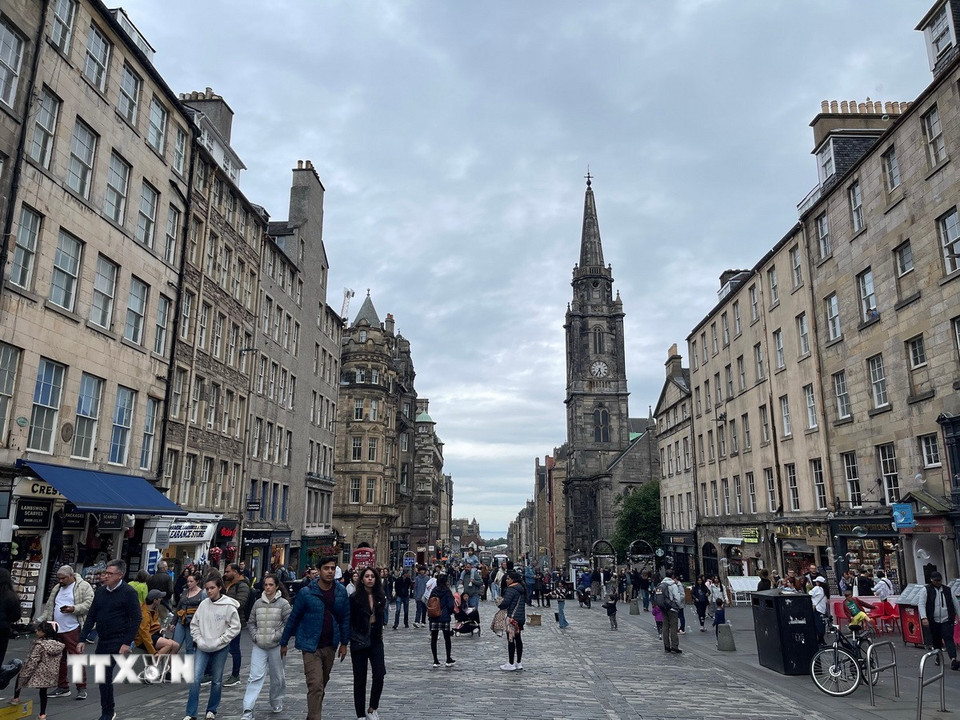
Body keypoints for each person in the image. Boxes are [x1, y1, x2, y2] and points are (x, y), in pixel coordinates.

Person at [280, 556, 350, 720]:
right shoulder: (306, 592)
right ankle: (315, 717)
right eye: (326, 568)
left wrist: (344, 643)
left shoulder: (340, 592)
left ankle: (312, 714)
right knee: (315, 684)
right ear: (318, 571)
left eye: (333, 568)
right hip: (310, 645)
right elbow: (294, 618)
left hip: (330, 645)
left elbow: (345, 618)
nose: (330, 571)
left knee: (321, 684)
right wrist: (284, 642)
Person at [78, 559, 141, 720]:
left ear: (120, 575)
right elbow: (91, 616)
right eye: (105, 572)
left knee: (105, 672)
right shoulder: (100, 592)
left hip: (118, 639)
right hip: (103, 639)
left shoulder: (128, 593)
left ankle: (108, 712)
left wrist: (127, 642)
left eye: (110, 574)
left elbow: (136, 618)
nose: (105, 576)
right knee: (102, 677)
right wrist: (82, 638)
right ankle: (107, 709)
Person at [183, 575, 241, 720]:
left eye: (212, 588)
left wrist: (222, 640)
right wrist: (198, 639)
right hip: (203, 646)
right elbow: (194, 624)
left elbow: (235, 627)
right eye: (207, 588)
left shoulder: (228, 606)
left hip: (220, 647)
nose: (209, 591)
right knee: (195, 678)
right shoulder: (203, 605)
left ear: (219, 588)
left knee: (216, 679)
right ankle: (191, 713)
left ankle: (212, 709)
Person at [36, 564, 93, 700]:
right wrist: (41, 620)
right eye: (59, 578)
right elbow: (50, 606)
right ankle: (62, 686)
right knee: (59, 658)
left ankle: (81, 688)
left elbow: (90, 603)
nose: (60, 581)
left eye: (63, 578)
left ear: (71, 575)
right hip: (57, 628)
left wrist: (73, 608)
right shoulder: (57, 588)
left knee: (77, 658)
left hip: (73, 628)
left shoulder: (83, 586)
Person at [241, 573, 291, 720]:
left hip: (276, 646)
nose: (268, 587)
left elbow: (288, 624)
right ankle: (247, 709)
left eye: (271, 585)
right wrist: (255, 636)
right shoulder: (258, 603)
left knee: (277, 677)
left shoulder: (283, 604)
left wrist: (277, 636)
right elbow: (251, 622)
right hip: (259, 645)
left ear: (276, 586)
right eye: (266, 585)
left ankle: (276, 700)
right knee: (254, 677)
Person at [350, 567, 386, 720]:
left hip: (376, 640)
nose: (370, 579)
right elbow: (349, 619)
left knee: (379, 674)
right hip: (359, 639)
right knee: (360, 678)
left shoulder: (380, 596)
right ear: (362, 579)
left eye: (372, 576)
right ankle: (360, 715)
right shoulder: (355, 597)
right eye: (367, 576)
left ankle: (372, 708)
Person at [12, 620, 64, 720]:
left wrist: (26, 672)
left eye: (38, 630)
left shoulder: (40, 645)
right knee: (43, 692)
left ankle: (15, 698)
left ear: (44, 632)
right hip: (51, 673)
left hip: (39, 670)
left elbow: (33, 660)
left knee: (20, 677)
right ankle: (42, 714)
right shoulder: (58, 645)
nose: (36, 631)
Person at [919, 571, 960, 671]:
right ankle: (938, 657)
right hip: (933, 620)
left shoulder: (948, 590)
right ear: (931, 580)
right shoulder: (926, 590)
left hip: (946, 619)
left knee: (948, 639)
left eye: (939, 580)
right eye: (936, 580)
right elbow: (921, 604)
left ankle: (953, 659)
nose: (938, 582)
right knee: (936, 640)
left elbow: (956, 605)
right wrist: (924, 617)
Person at [222, 563, 251, 687]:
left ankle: (235, 675)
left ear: (235, 572)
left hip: (235, 621)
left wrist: (224, 604)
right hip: (223, 621)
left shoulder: (242, 585)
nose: (226, 574)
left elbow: (240, 603)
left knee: (234, 649)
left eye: (228, 571)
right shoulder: (228, 584)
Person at [134, 589, 180, 658]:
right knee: (169, 644)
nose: (161, 599)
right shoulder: (144, 614)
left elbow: (155, 625)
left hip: (154, 635)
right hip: (143, 639)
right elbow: (145, 635)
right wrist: (153, 652)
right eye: (160, 598)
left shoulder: (154, 609)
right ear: (154, 600)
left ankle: (168, 668)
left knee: (176, 646)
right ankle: (155, 661)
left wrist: (160, 630)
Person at [498, 571, 527, 671]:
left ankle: (511, 663)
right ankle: (519, 662)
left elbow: (505, 603)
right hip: (520, 618)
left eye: (508, 579)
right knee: (518, 639)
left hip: (512, 618)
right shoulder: (521, 588)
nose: (506, 581)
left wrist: (498, 602)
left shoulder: (511, 589)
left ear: (513, 579)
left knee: (511, 640)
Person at [427, 574, 455, 669]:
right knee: (447, 638)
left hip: (434, 616)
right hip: (445, 616)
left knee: (434, 638)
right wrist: (449, 612)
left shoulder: (434, 591)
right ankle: (448, 658)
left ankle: (435, 660)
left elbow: (429, 602)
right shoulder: (447, 591)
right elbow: (451, 605)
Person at [174, 572, 205, 655]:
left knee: (190, 647)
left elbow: (203, 610)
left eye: (191, 581)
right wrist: (173, 622)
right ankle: (169, 665)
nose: (189, 583)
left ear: (197, 582)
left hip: (192, 622)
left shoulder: (202, 593)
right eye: (188, 581)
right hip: (181, 620)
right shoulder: (185, 592)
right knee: (175, 645)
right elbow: (179, 607)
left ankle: (189, 666)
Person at [660, 569, 684, 654]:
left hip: (664, 608)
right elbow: (677, 598)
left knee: (665, 627)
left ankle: (666, 646)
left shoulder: (662, 584)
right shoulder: (672, 585)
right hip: (672, 608)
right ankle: (674, 646)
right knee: (673, 627)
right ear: (672, 576)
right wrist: (678, 605)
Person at [809, 576, 829, 645]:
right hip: (822, 609)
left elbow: (809, 594)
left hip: (817, 608)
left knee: (817, 624)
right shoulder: (825, 590)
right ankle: (821, 640)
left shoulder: (817, 588)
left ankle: (819, 640)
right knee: (821, 623)